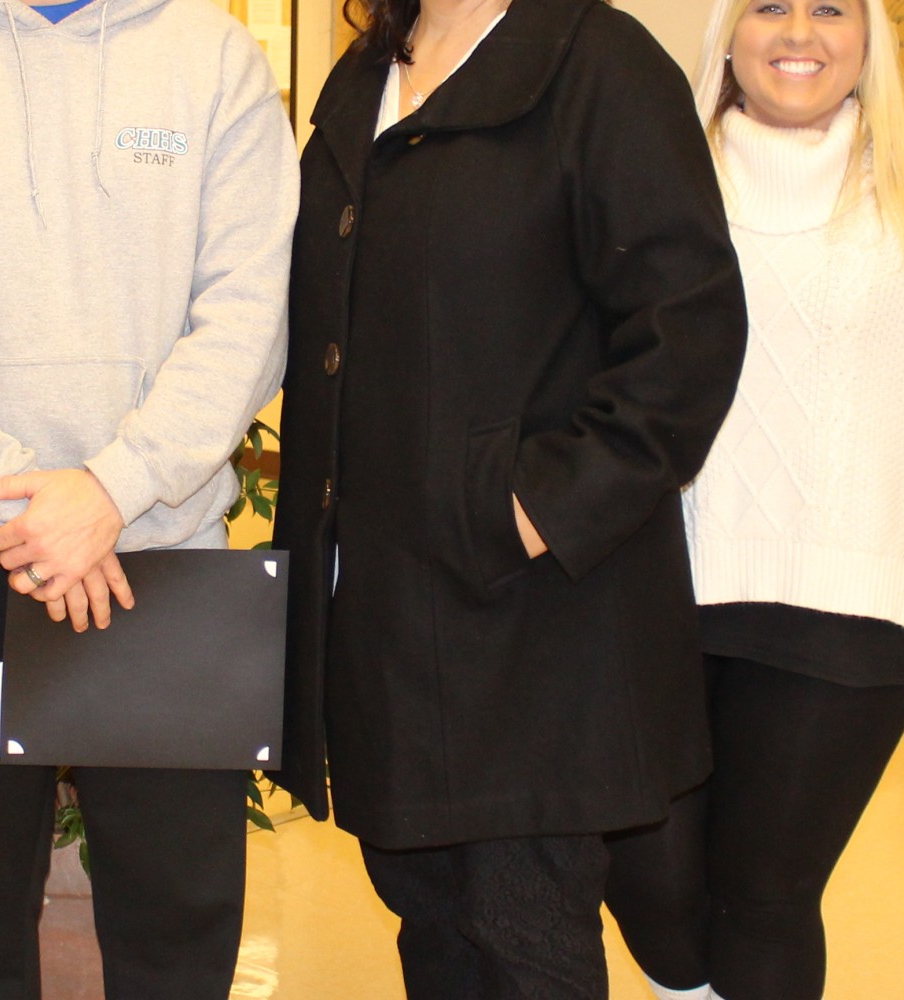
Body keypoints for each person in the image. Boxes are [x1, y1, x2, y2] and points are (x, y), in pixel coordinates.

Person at [0, 0, 297, 993]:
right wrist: (36, 517)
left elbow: (250, 312)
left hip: (165, 561)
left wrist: (113, 487)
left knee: (179, 946)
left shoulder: (216, 60)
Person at [274, 0, 747, 992]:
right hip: (385, 610)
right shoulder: (365, 75)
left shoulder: (601, 66)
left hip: (535, 619)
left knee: (519, 933)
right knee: (432, 924)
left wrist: (536, 507)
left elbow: (689, 333)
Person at [599, 0, 904, 995]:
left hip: (851, 599)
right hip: (653, 585)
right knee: (648, 880)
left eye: (830, 7)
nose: (799, 31)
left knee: (764, 898)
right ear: (729, 33)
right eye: (770, 6)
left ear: (868, 37)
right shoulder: (651, 175)